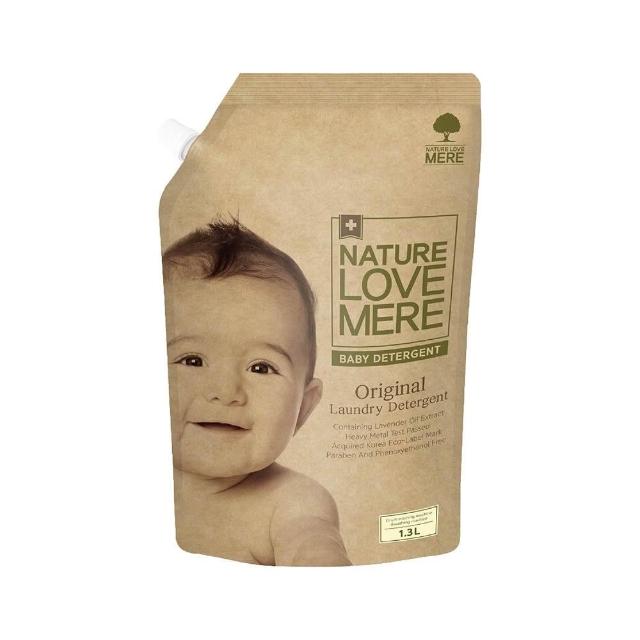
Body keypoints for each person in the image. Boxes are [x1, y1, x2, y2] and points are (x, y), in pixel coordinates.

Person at [163, 219, 351, 566]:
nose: (225, 392)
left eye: (261, 368)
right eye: (192, 360)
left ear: (304, 408)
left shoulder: (290, 502)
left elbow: (313, 547)